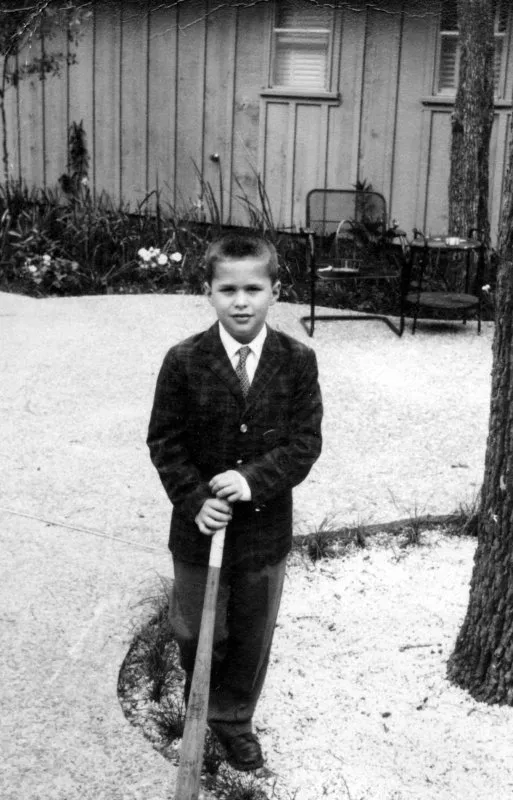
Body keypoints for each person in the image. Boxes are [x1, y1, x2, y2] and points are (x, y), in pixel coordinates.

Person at [147, 233, 323, 771]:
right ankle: (197, 702)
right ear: (209, 293)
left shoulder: (296, 361)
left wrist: (252, 480)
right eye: (228, 289)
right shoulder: (183, 361)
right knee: (196, 629)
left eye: (253, 288)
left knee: (251, 632)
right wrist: (196, 499)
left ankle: (232, 717)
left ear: (275, 291)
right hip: (199, 530)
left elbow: (304, 442)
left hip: (264, 533)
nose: (241, 301)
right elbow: (165, 441)